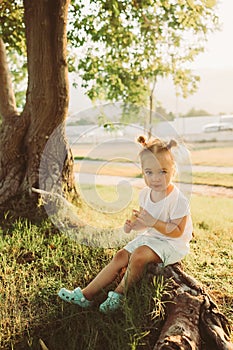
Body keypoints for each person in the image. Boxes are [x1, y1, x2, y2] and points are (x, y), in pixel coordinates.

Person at [58, 135, 193, 313]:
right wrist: (134, 226)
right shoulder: (145, 194)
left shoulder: (177, 200)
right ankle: (86, 295)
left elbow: (176, 232)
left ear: (173, 170)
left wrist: (153, 222)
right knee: (121, 255)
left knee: (138, 255)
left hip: (172, 244)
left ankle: (118, 295)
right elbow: (145, 223)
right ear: (143, 172)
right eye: (149, 172)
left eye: (163, 171)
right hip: (153, 238)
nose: (156, 178)